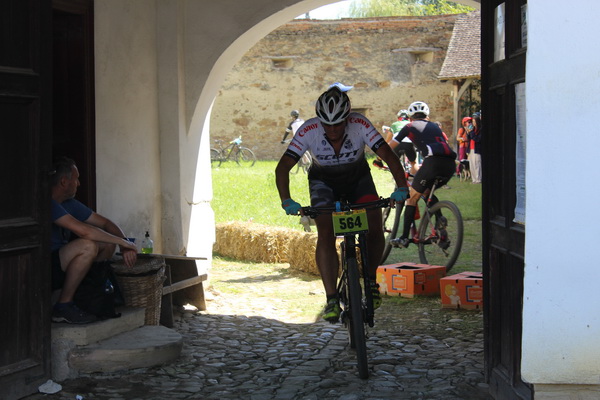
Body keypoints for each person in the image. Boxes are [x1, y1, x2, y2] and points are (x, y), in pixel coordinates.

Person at [275, 87, 409, 323]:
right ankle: (331, 299)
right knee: (325, 232)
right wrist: (286, 200)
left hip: (358, 179)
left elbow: (388, 155)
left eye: (338, 123)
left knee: (374, 223)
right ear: (319, 120)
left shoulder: (360, 124)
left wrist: (401, 187)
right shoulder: (308, 130)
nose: (333, 129)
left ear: (347, 118)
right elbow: (283, 167)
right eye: (327, 124)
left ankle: (370, 281)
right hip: (323, 182)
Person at [51, 157, 138, 324]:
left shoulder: (69, 203)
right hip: (45, 266)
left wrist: (124, 244)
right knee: (87, 246)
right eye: (76, 179)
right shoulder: (49, 203)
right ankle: (63, 306)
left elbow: (105, 223)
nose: (79, 184)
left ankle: (89, 293)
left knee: (107, 244)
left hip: (62, 261)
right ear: (63, 182)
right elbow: (84, 231)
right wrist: (123, 242)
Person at [388, 101, 457, 249]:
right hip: (450, 164)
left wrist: (378, 158)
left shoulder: (409, 126)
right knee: (427, 191)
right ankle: (440, 222)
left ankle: (404, 238)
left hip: (433, 162)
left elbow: (390, 147)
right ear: (427, 116)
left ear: (410, 117)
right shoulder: (435, 127)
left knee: (412, 198)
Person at [374, 110, 418, 175]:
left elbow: (387, 141)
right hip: (409, 144)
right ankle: (416, 179)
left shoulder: (394, 124)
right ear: (408, 118)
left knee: (395, 163)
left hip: (397, 144)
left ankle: (397, 178)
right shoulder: (411, 124)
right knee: (413, 162)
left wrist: (379, 158)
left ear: (398, 118)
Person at [467, 112, 482, 183]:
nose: (473, 123)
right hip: (471, 148)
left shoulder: (480, 130)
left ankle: (478, 179)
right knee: (472, 164)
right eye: (472, 121)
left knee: (477, 164)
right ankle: (474, 179)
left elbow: (477, 139)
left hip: (477, 149)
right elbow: (469, 139)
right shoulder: (472, 129)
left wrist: (471, 133)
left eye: (474, 121)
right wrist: (468, 133)